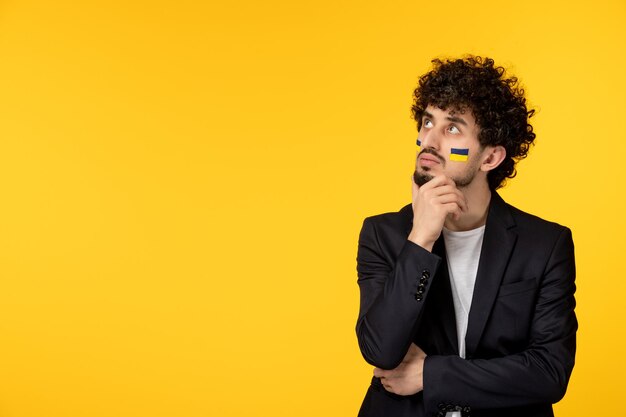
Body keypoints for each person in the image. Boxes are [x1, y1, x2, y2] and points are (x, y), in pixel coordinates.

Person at [355, 56, 577, 417]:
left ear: (490, 157)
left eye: (452, 128)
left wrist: (432, 373)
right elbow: (380, 350)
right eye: (427, 122)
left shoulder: (546, 244)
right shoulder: (383, 234)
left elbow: (549, 372)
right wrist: (421, 238)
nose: (429, 140)